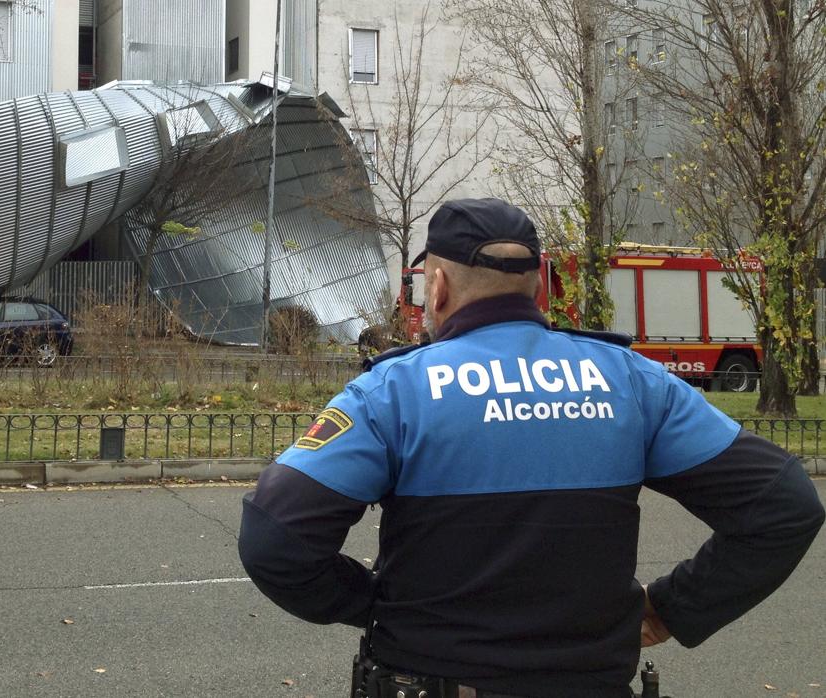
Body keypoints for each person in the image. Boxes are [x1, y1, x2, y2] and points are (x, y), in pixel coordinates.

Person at [238, 198, 824, 698]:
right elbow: (783, 506)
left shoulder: (395, 390)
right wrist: (672, 607)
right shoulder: (631, 381)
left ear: (436, 286)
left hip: (431, 675)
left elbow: (276, 538)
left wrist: (369, 601)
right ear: (541, 282)